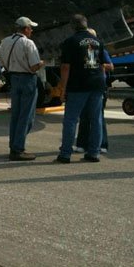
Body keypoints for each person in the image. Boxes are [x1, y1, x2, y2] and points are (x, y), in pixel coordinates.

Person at [55, 15, 111, 164]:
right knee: (96, 119)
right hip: (97, 84)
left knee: (71, 120)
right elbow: (104, 64)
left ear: (72, 26)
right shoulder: (98, 41)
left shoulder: (70, 42)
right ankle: (94, 152)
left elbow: (66, 67)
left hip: (78, 85)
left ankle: (66, 153)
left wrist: (63, 88)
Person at [0, 17, 45, 161]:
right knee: (27, 116)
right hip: (27, 80)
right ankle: (18, 149)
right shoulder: (28, 43)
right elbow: (33, 66)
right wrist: (42, 63)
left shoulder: (5, 41)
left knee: (16, 115)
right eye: (30, 28)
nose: (31, 30)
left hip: (14, 79)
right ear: (25, 29)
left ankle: (13, 146)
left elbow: (2, 63)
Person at [74, 28, 112, 154]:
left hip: (97, 86)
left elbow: (110, 65)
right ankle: (82, 144)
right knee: (84, 116)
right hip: (86, 86)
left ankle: (102, 144)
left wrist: (100, 65)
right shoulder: (83, 51)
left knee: (98, 117)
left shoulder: (100, 50)